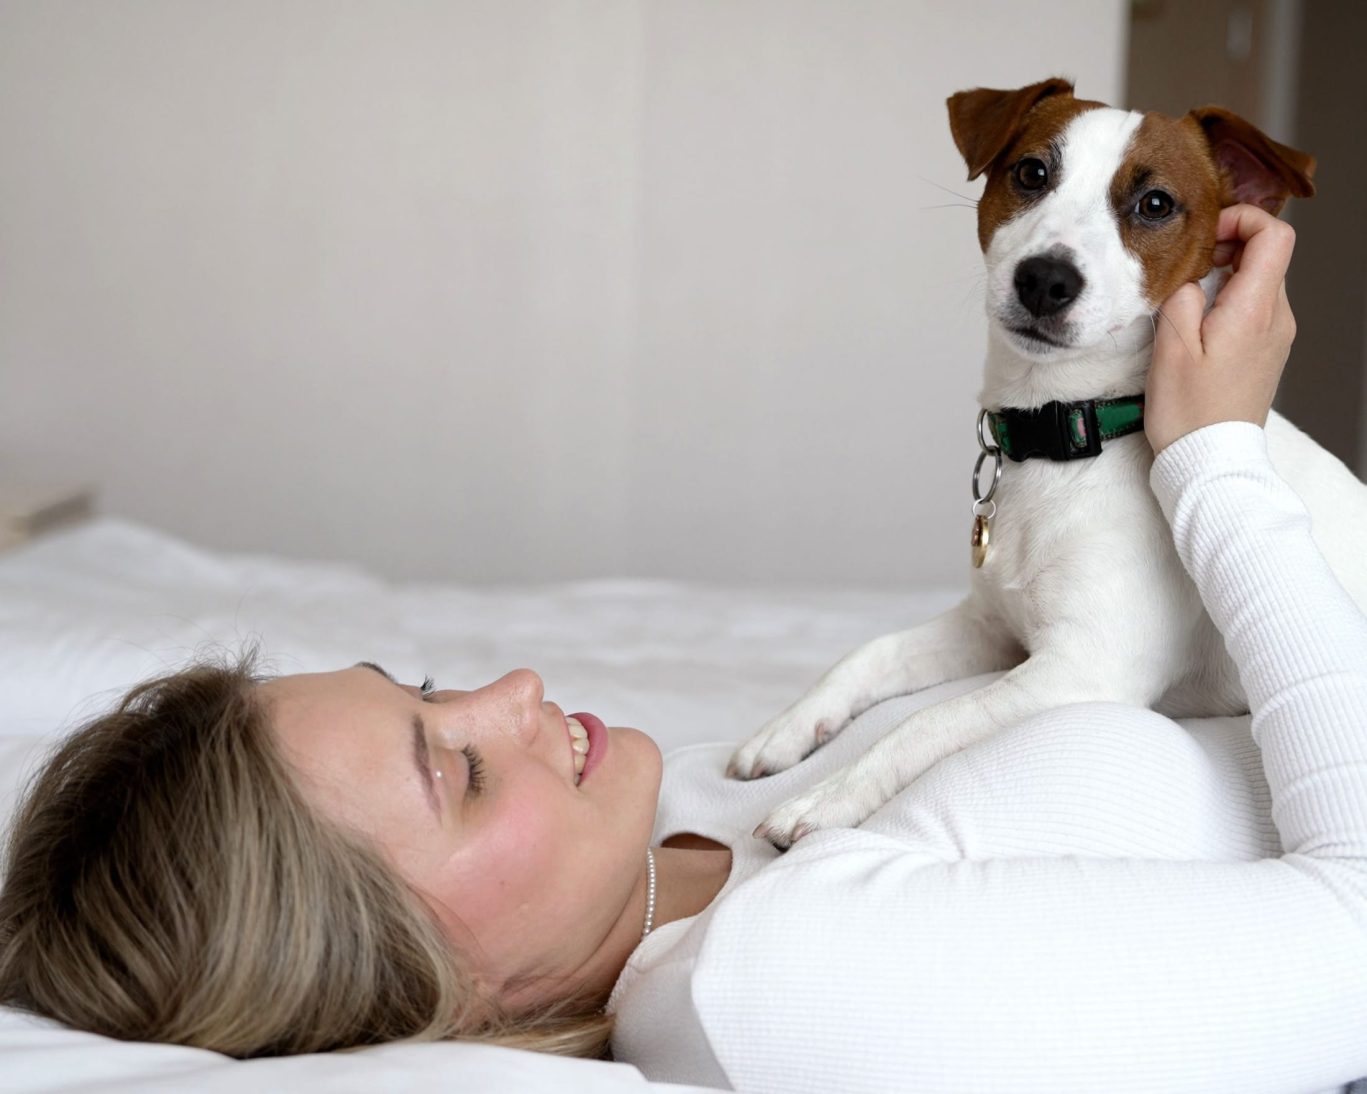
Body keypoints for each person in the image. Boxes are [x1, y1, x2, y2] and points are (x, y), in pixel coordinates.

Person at [1, 203, 1364, 1092]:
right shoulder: (781, 991)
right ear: (438, 984)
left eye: (427, 688)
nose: (515, 690)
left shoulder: (679, 841)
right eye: (460, 771)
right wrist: (1214, 462)